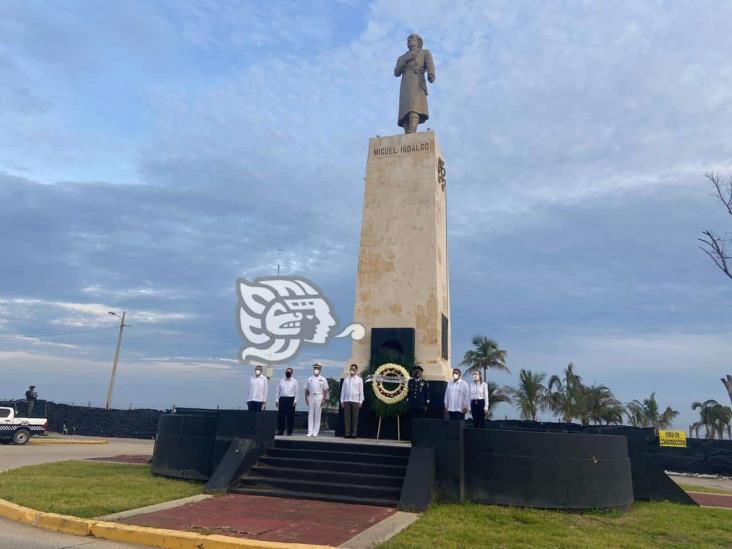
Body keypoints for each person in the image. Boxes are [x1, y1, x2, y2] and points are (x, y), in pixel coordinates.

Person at [394, 33, 436, 133]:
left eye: (412, 38)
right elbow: (396, 72)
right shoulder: (402, 57)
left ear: (418, 41)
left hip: (417, 81)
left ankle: (412, 130)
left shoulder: (424, 53)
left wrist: (431, 74)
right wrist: (406, 59)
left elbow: (430, 65)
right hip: (405, 84)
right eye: (408, 39)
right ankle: (407, 132)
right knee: (405, 110)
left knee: (414, 107)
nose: (409, 40)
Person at [305, 362, 329, 437]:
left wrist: (324, 399)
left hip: (319, 397)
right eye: (315, 368)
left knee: (317, 415)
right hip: (311, 397)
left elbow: (326, 390)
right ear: (313, 369)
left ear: (320, 369)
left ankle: (315, 432)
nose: (316, 369)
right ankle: (309, 432)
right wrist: (306, 399)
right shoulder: (309, 379)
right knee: (310, 415)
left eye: (318, 368)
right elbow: (306, 390)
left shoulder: (323, 379)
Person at [340, 364, 364, 438]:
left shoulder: (359, 380)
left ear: (356, 370)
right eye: (351, 369)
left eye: (353, 369)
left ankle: (354, 434)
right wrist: (342, 400)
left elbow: (361, 391)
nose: (352, 370)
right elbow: (343, 390)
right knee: (347, 418)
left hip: (356, 401)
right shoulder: (346, 379)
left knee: (355, 418)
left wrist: (361, 401)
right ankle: (347, 433)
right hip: (347, 400)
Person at [275, 367, 298, 436]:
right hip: (282, 399)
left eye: (289, 372)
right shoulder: (281, 380)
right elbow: (278, 390)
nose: (288, 373)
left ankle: (289, 431)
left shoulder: (294, 381)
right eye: (287, 372)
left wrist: (295, 401)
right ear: (285, 372)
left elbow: (296, 392)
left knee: (290, 416)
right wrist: (276, 399)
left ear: (292, 373)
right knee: (281, 416)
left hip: (291, 399)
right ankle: (280, 431)